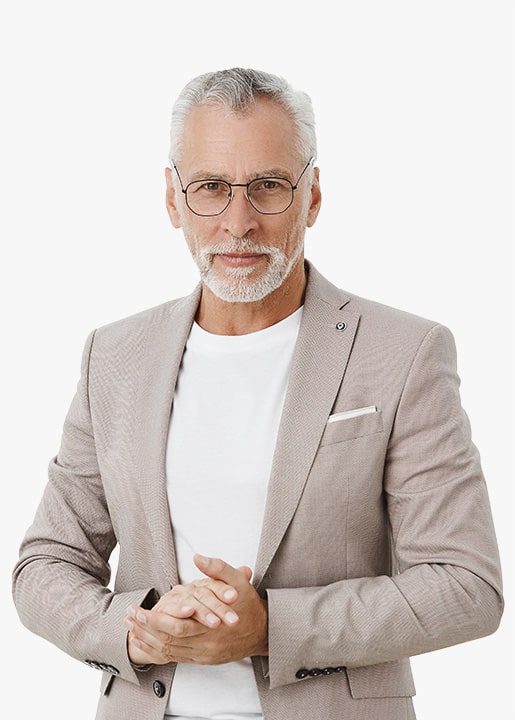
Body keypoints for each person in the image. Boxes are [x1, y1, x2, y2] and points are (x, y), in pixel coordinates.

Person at [13, 67, 503, 720]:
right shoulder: (115, 355)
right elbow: (46, 565)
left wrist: (271, 627)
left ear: (312, 197)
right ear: (173, 200)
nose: (238, 222)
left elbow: (465, 586)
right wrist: (135, 628)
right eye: (210, 187)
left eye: (268, 186)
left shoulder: (404, 353)